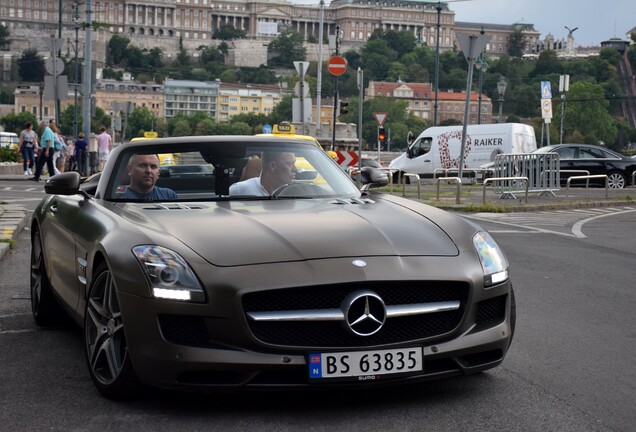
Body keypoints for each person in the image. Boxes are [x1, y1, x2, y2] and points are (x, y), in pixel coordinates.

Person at [229, 151, 297, 196]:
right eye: (289, 164)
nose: (295, 169)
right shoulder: (239, 190)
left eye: (294, 163)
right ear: (273, 166)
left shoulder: (297, 192)